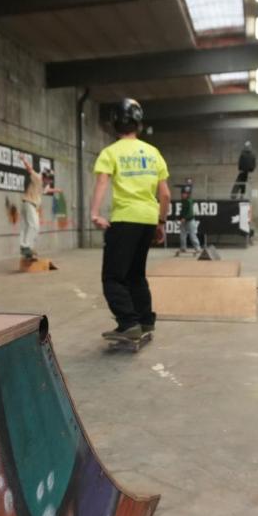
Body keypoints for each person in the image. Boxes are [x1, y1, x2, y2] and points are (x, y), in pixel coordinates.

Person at [90, 98, 171, 342]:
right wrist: (160, 223)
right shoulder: (153, 152)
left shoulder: (110, 152)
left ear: (115, 123)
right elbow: (165, 194)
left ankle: (128, 323)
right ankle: (145, 320)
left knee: (113, 277)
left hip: (125, 219)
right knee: (136, 274)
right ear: (139, 124)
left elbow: (102, 182)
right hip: (148, 219)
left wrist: (94, 213)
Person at [20, 156, 61, 260]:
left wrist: (57, 190)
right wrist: (24, 160)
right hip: (29, 203)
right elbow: (29, 169)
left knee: (35, 227)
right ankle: (25, 246)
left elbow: (48, 190)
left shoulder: (44, 185)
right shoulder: (37, 178)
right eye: (49, 179)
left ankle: (29, 249)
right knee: (32, 225)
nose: (49, 181)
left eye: (50, 180)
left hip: (32, 206)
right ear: (45, 176)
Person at [178, 186, 201, 254]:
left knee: (192, 235)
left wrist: (184, 218)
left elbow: (190, 212)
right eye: (182, 193)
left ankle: (198, 248)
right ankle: (183, 248)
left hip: (190, 221)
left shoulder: (189, 201)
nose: (182, 195)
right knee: (182, 235)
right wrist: (180, 217)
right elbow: (183, 211)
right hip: (184, 221)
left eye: (184, 193)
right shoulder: (183, 201)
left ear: (188, 194)